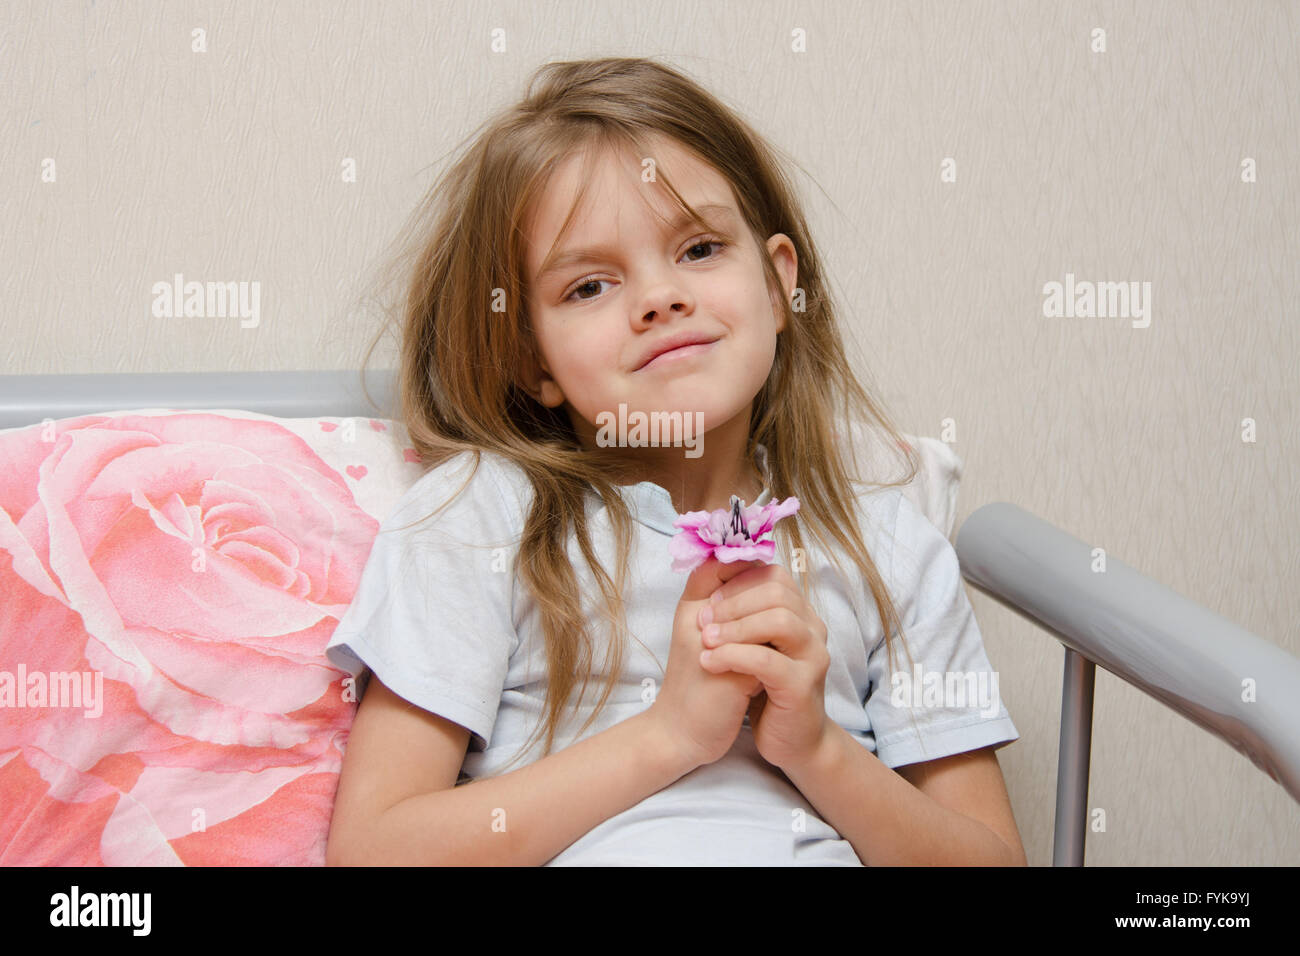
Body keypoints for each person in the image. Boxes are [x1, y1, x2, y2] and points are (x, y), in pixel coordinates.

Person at [324, 56, 1026, 866]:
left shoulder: (890, 550)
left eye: (698, 248)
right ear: (533, 361)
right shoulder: (478, 519)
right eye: (589, 286)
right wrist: (669, 736)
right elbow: (374, 850)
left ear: (777, 284)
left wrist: (816, 749)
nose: (660, 298)